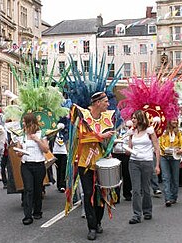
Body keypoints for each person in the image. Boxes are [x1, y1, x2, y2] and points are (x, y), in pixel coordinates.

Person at [67, 92, 115, 241]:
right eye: (105, 101)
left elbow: (109, 139)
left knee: (102, 194)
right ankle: (92, 227)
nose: (108, 104)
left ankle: (98, 221)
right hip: (85, 162)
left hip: (101, 162)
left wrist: (110, 143)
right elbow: (81, 138)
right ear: (97, 103)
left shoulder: (107, 118)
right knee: (88, 194)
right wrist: (101, 137)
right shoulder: (83, 117)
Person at [16, 113, 49, 225]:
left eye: (24, 121)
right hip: (26, 165)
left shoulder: (41, 134)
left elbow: (46, 149)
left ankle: (37, 211)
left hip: (39, 164)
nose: (23, 124)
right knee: (28, 189)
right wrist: (19, 153)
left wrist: (37, 140)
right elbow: (19, 150)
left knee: (37, 189)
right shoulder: (21, 135)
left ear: (30, 122)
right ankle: (27, 215)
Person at [127, 110, 160, 224]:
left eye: (135, 118)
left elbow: (156, 148)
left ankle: (147, 211)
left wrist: (157, 165)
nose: (133, 120)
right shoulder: (132, 132)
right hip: (134, 162)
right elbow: (129, 149)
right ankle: (136, 214)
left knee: (146, 188)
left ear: (140, 119)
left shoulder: (149, 131)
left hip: (147, 162)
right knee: (136, 189)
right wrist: (129, 138)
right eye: (132, 118)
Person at [159, 118, 182, 207]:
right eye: (173, 120)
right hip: (164, 156)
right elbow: (160, 143)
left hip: (175, 157)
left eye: (176, 120)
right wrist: (166, 150)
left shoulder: (179, 132)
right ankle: (168, 198)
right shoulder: (163, 132)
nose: (174, 121)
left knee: (175, 177)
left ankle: (174, 197)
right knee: (166, 177)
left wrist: (180, 150)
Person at [112, 120, 132, 201]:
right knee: (116, 175)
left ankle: (127, 193)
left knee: (126, 174)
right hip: (116, 153)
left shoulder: (130, 130)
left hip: (125, 153)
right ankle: (116, 196)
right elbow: (110, 143)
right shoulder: (114, 130)